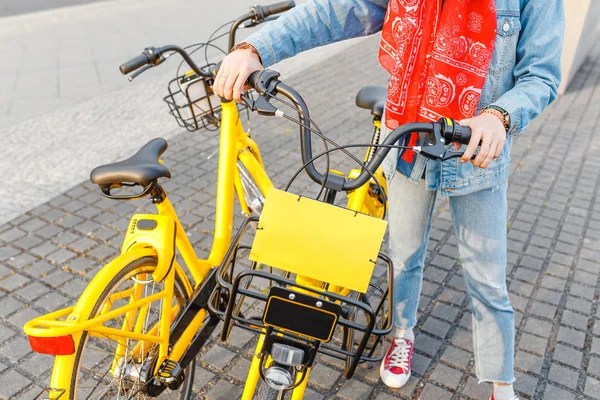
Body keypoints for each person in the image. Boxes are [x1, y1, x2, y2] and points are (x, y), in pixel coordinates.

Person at [213, 1, 564, 399]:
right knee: (402, 255)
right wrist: (255, 49)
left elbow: (541, 75)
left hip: (476, 156)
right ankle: (402, 334)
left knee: (487, 279)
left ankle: (503, 386)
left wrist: (499, 116)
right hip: (407, 141)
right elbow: (341, 9)